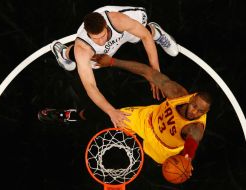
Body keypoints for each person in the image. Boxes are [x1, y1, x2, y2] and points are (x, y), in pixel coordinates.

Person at [39, 54, 211, 166]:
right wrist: (113, 62)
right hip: (145, 120)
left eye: (200, 111)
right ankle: (72, 115)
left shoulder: (196, 127)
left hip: (162, 148)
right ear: (190, 99)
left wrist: (187, 159)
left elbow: (192, 143)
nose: (195, 112)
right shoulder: (177, 94)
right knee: (106, 114)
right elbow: (147, 72)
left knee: (161, 170)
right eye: (195, 106)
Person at [50, 5, 179, 127]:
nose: (101, 41)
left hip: (121, 31)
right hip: (93, 51)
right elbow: (90, 86)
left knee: (142, 28)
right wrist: (111, 111)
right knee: (88, 61)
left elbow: (145, 36)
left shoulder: (117, 20)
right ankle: (63, 53)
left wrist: (155, 74)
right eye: (96, 38)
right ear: (88, 34)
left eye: (102, 36)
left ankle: (157, 32)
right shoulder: (82, 47)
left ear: (106, 26)